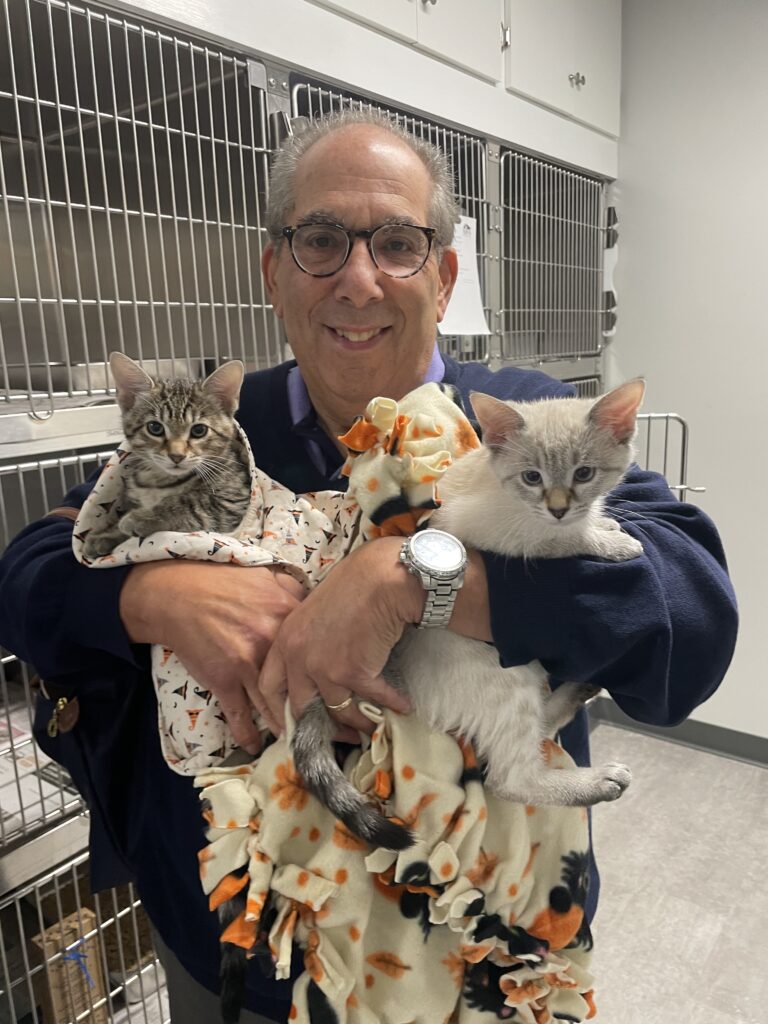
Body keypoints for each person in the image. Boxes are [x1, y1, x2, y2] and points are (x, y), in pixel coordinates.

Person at [0, 110, 737, 1023]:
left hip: (484, 947)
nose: (357, 279)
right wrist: (148, 594)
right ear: (274, 270)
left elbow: (693, 612)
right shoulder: (218, 427)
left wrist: (418, 576)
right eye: (320, 241)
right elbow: (30, 569)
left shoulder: (524, 419)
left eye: (397, 243)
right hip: (242, 944)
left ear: (445, 271)